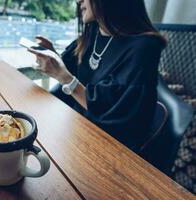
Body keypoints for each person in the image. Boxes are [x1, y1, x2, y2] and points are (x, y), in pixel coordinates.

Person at [28, 0, 166, 152]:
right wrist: (53, 58)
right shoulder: (93, 32)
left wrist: (65, 78)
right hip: (75, 127)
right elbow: (72, 70)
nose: (78, 1)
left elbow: (112, 111)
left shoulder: (144, 47)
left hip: (109, 147)